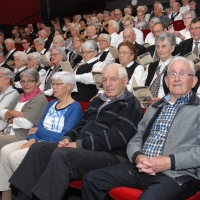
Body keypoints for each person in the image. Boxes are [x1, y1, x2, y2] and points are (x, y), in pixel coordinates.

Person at [9, 63, 142, 200]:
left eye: (113, 79)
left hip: (111, 155)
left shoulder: (130, 104)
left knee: (62, 155)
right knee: (39, 148)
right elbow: (81, 124)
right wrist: (68, 138)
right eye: (104, 80)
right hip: (85, 150)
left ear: (125, 81)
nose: (107, 84)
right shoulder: (97, 101)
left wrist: (79, 144)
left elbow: (117, 137)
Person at [82, 56, 200, 200]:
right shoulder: (154, 108)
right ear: (166, 81)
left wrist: (169, 162)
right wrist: (138, 156)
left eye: (182, 74)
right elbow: (135, 139)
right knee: (92, 180)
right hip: (140, 168)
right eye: (172, 74)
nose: (176, 78)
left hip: (176, 174)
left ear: (193, 81)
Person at [0, 71, 82, 200]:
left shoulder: (74, 108)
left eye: (58, 84)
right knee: (5, 151)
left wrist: (37, 132)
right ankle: (10, 192)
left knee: (14, 157)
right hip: (38, 142)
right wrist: (31, 139)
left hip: (53, 146)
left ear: (69, 86)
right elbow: (38, 126)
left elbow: (63, 136)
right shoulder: (51, 104)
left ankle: (31, 189)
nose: (54, 87)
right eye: (53, 84)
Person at [0, 68, 48, 149]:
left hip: (22, 135)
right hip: (7, 131)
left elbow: (27, 123)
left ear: (37, 82)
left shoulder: (39, 99)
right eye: (23, 81)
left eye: (30, 81)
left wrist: (9, 118)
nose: (26, 84)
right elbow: (2, 113)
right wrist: (14, 113)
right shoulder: (20, 96)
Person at [140, 32, 176, 105]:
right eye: (158, 46)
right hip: (145, 103)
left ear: (172, 48)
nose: (160, 50)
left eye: (163, 46)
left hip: (165, 104)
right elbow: (142, 85)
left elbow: (180, 91)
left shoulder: (176, 66)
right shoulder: (151, 66)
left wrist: (163, 100)